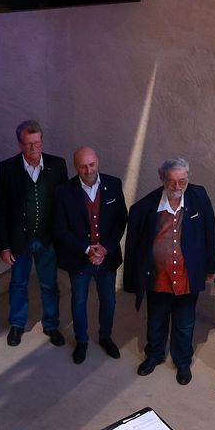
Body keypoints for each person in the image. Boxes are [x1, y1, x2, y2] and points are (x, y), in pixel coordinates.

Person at [122, 157, 215, 384]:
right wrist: (132, 280)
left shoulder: (199, 196)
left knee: (185, 322)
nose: (177, 187)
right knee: (156, 320)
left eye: (182, 181)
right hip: (158, 277)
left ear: (188, 179)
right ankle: (153, 355)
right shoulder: (144, 208)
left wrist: (210, 268)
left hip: (187, 276)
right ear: (162, 179)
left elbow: (209, 232)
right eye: (172, 181)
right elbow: (134, 247)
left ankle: (182, 362)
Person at [53, 146, 128, 364]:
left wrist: (106, 248)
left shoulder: (114, 185)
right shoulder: (64, 191)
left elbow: (120, 220)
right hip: (79, 259)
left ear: (98, 162)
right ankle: (82, 341)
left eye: (91, 164)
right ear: (76, 167)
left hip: (107, 258)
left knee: (109, 301)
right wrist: (87, 249)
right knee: (79, 302)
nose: (88, 169)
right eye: (83, 166)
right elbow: (60, 229)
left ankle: (105, 336)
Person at [0, 119, 69, 347]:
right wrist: (5, 245)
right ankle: (17, 324)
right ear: (19, 144)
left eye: (37, 143)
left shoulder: (57, 165)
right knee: (18, 283)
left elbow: (64, 205)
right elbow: (2, 209)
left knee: (49, 284)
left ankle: (51, 324)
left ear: (42, 141)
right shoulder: (8, 168)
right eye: (28, 144)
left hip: (47, 239)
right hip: (20, 240)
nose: (33, 148)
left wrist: (62, 238)